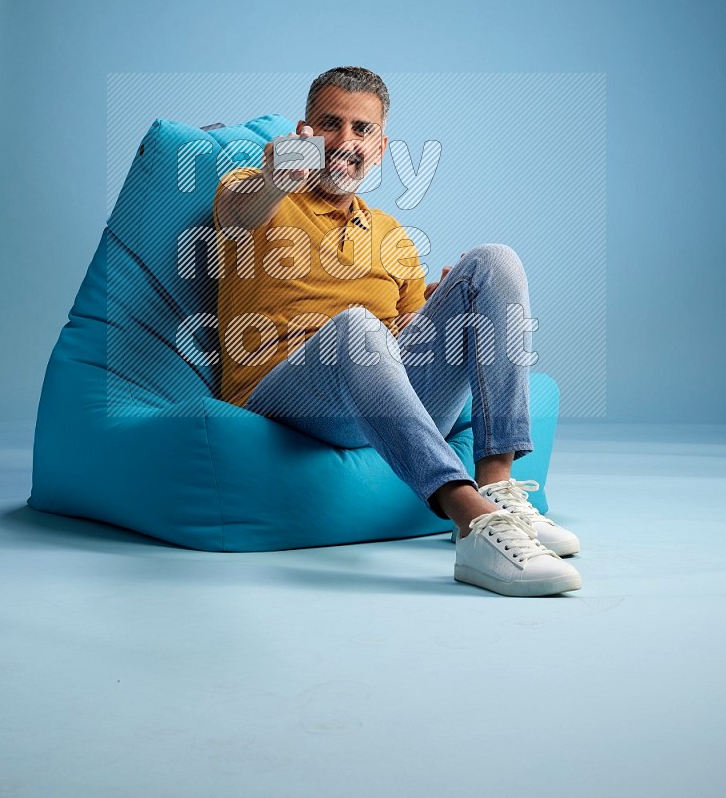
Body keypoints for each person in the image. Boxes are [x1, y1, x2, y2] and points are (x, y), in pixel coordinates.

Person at [213, 67, 581, 597]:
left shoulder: (392, 235)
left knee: (493, 262)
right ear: (304, 131)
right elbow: (236, 215)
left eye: (361, 130)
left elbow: (401, 340)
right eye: (330, 124)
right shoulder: (258, 193)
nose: (345, 142)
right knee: (357, 329)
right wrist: (275, 179)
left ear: (380, 147)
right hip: (289, 399)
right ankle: (471, 521)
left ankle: (498, 487)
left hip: (380, 397)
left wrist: (443, 311)